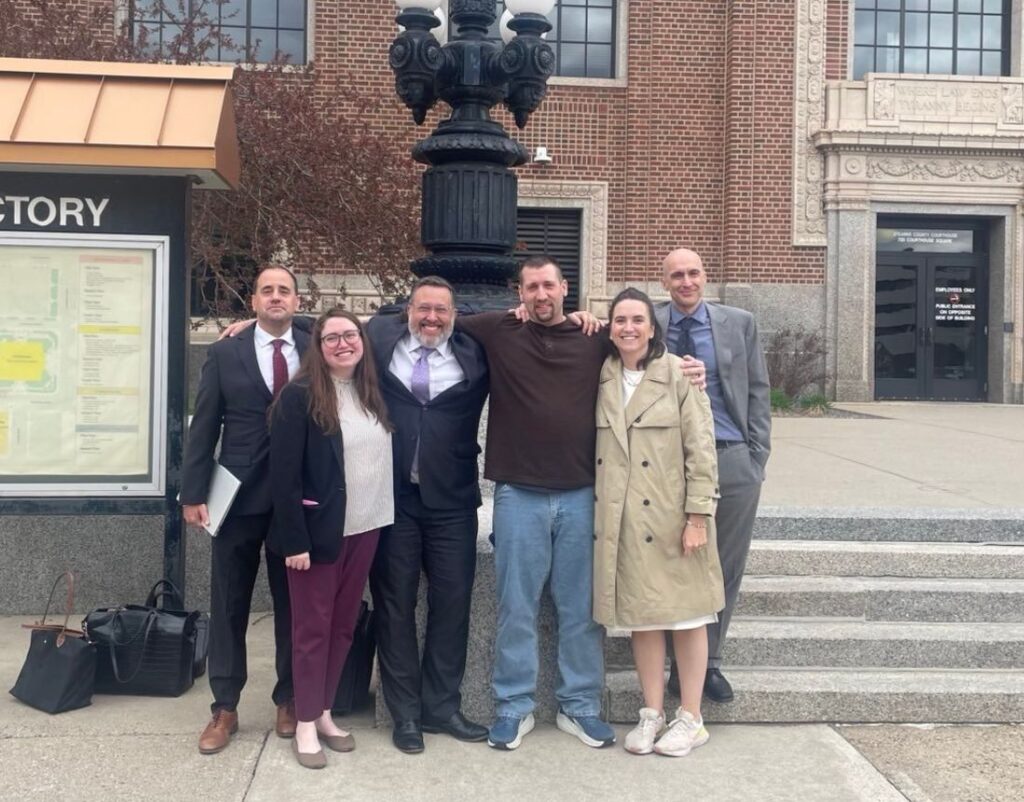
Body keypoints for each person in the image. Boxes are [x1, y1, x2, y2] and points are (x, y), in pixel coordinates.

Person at [594, 288, 723, 757]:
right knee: (643, 618)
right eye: (619, 320)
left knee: (688, 616)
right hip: (623, 520)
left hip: (673, 517)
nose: (628, 328)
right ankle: (652, 711)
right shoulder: (603, 377)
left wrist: (698, 516)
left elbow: (701, 450)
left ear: (652, 327)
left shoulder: (678, 374)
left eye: (637, 320)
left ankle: (692, 716)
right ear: (610, 328)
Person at [181, 264, 304, 755]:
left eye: (285, 291)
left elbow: (377, 328)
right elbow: (204, 425)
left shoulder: (318, 342)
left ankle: (289, 698)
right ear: (252, 301)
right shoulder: (225, 352)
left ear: (297, 301)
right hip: (235, 497)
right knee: (229, 602)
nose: (276, 297)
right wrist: (192, 493)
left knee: (292, 604)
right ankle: (225, 706)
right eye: (266, 290)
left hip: (296, 500)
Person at [365, 276, 490, 754]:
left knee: (452, 605)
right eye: (423, 309)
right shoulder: (378, 338)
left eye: (440, 310)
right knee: (394, 607)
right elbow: (324, 330)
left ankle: (442, 707)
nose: (431, 318)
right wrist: (255, 322)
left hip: (453, 502)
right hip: (393, 499)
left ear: (453, 315)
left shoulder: (477, 353)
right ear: (408, 311)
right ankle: (406, 715)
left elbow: (532, 335)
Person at [268, 307, 394, 769]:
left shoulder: (371, 392)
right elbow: (283, 478)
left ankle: (322, 711)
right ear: (318, 348)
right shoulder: (298, 396)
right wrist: (294, 541)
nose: (344, 343)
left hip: (367, 527)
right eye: (332, 337)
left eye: (351, 335)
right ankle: (303, 722)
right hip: (317, 536)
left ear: (363, 341)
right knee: (311, 630)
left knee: (342, 625)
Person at [655, 248, 771, 704]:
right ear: (663, 283)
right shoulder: (647, 322)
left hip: (731, 456)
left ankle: (709, 666)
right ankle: (673, 666)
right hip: (666, 464)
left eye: (693, 273)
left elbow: (759, 390)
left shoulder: (738, 323)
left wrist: (756, 456)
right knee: (672, 564)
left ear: (705, 276)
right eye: (676, 275)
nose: (686, 282)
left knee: (725, 566)